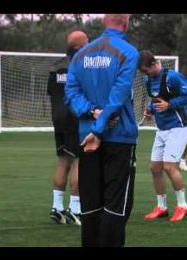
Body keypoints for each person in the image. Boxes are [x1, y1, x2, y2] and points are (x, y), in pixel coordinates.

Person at [65, 14, 139, 247]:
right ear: (126, 24)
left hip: (87, 139)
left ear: (103, 22)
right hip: (117, 138)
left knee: (91, 206)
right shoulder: (128, 52)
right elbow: (118, 96)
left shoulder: (80, 55)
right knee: (116, 207)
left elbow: (71, 94)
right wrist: (99, 129)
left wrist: (91, 112)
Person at [138, 50, 187, 222]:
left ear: (154, 64)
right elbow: (154, 99)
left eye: (146, 70)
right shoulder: (148, 80)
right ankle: (161, 207)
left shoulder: (173, 77)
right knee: (155, 167)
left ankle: (183, 206)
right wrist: (150, 109)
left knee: (169, 166)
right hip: (161, 129)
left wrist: (170, 105)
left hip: (177, 127)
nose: (145, 74)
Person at [47, 30, 88, 226]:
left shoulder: (55, 67)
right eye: (87, 42)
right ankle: (75, 209)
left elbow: (52, 94)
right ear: (79, 47)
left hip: (58, 120)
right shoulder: (80, 66)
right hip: (75, 119)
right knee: (79, 163)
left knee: (63, 162)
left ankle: (57, 207)